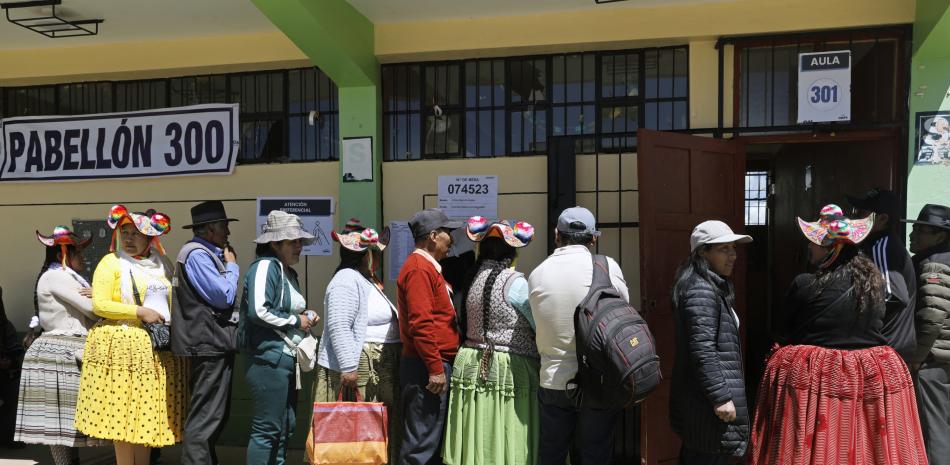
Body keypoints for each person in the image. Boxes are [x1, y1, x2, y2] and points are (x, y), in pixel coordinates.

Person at [748, 204, 928, 465]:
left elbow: (785, 330)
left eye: (814, 242)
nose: (809, 247)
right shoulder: (874, 285)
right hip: (868, 376)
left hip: (815, 380)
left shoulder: (804, 284)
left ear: (830, 247)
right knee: (861, 440)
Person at [74, 205, 187, 465]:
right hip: (121, 349)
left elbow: (173, 298)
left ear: (150, 238)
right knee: (122, 417)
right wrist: (140, 311)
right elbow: (100, 305)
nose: (128, 238)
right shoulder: (111, 263)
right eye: (124, 232)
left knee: (144, 416)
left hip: (154, 348)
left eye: (136, 233)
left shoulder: (162, 264)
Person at [527, 206, 630, 465]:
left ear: (556, 235)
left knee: (551, 454)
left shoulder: (537, 274)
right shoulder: (607, 267)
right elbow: (622, 309)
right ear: (593, 238)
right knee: (595, 455)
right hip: (599, 380)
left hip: (553, 380)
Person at [443, 217, 539, 465]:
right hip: (508, 366)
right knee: (506, 426)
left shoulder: (471, 278)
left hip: (471, 363)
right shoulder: (515, 283)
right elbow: (537, 323)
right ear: (512, 252)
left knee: (479, 427)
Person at [15, 227, 107, 464]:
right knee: (59, 422)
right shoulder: (56, 276)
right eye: (79, 252)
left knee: (67, 420)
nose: (84, 257)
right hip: (59, 352)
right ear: (62, 255)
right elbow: (92, 308)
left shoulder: (66, 276)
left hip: (66, 351)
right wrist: (107, 297)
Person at [312, 219, 401, 462]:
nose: (378, 257)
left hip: (376, 365)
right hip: (358, 368)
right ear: (365, 255)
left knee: (370, 431)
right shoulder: (346, 280)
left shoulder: (365, 280)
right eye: (375, 252)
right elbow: (339, 325)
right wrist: (349, 368)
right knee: (357, 433)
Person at [669, 220, 752, 464]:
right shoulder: (701, 290)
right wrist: (721, 397)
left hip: (704, 403)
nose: (733, 256)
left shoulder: (710, 286)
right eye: (723, 249)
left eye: (733, 248)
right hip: (706, 404)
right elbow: (703, 350)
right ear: (702, 253)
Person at [241, 210, 316, 465]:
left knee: (286, 427)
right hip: (268, 359)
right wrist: (298, 320)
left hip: (284, 359)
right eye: (293, 241)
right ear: (274, 244)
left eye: (300, 241)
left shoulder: (287, 272)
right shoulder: (266, 266)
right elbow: (259, 310)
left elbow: (281, 309)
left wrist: (305, 315)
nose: (299, 247)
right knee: (267, 430)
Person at [171, 201, 241, 465]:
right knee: (205, 417)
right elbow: (222, 296)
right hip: (207, 344)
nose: (228, 233)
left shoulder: (205, 253)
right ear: (209, 229)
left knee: (214, 415)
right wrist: (232, 266)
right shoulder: (197, 254)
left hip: (213, 344)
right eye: (224, 226)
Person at [397, 208, 463, 465]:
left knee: (429, 443)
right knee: (421, 445)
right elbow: (421, 324)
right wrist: (435, 368)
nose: (452, 240)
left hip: (429, 366)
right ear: (433, 236)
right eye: (448, 233)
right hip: (426, 368)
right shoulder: (419, 269)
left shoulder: (427, 268)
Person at [903, 203, 950, 465]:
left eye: (921, 231)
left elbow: (933, 315)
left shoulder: (933, 265)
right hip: (943, 357)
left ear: (940, 236)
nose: (913, 235)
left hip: (933, 360)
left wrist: (918, 357)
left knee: (933, 431)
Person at [848, 188, 917, 362]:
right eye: (855, 211)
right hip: (887, 348)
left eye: (862, 212)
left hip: (887, 348)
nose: (855, 217)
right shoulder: (875, 244)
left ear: (882, 219)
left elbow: (892, 295)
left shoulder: (883, 246)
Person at [0, 287, 24, 449]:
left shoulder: (4, 324)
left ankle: (8, 435)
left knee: (15, 388)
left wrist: (11, 361)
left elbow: (15, 348)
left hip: (6, 373)